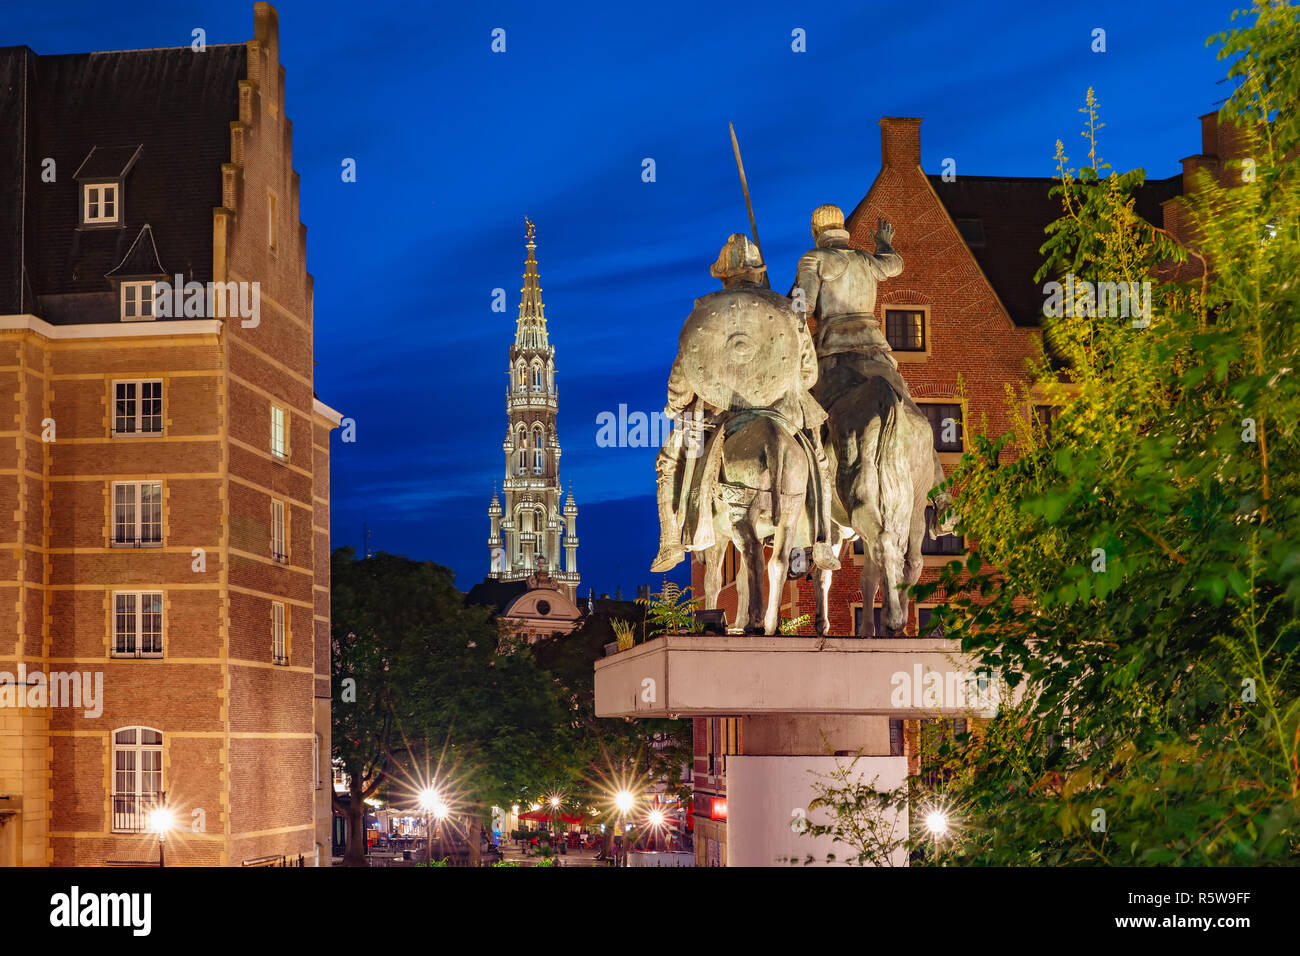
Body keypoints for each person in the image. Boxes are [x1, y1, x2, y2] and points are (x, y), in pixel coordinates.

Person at [652, 233, 839, 573]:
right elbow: (809, 373)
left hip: (720, 413)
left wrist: (677, 405)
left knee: (667, 462)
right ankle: (824, 541)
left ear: (724, 276)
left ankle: (670, 542)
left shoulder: (705, 313)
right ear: (757, 272)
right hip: (784, 410)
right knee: (821, 460)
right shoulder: (787, 310)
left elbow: (682, 376)